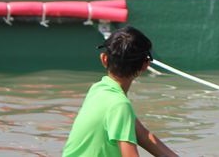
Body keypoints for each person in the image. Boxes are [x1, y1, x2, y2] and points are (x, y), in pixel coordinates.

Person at [63, 26, 177, 157]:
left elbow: (143, 136)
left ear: (104, 59)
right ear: (145, 65)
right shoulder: (120, 105)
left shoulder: (98, 89)